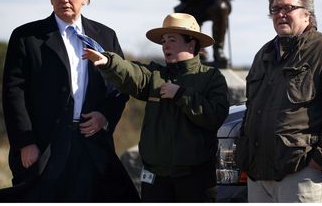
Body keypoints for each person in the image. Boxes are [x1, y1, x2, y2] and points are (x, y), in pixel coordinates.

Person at [0, 0, 139, 202]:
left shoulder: (106, 36)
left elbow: (121, 86)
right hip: (44, 147)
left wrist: (104, 116)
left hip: (91, 145)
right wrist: (26, 142)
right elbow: (13, 93)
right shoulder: (26, 37)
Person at [82, 13, 230, 202]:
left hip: (196, 181)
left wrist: (181, 95)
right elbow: (133, 73)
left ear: (191, 44)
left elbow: (215, 116)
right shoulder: (155, 74)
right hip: (155, 180)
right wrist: (110, 62)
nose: (165, 45)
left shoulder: (211, 77)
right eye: (163, 41)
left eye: (172, 40)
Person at [235, 0, 322, 203]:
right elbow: (251, 108)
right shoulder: (263, 54)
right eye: (275, 9)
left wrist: (321, 161)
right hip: (258, 174)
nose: (280, 14)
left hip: (301, 171)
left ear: (306, 15)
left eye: (288, 8)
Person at [166, 0, 238, 67]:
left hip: (213, 2)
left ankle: (218, 50)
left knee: (221, 8)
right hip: (193, 2)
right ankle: (198, 51)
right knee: (185, 17)